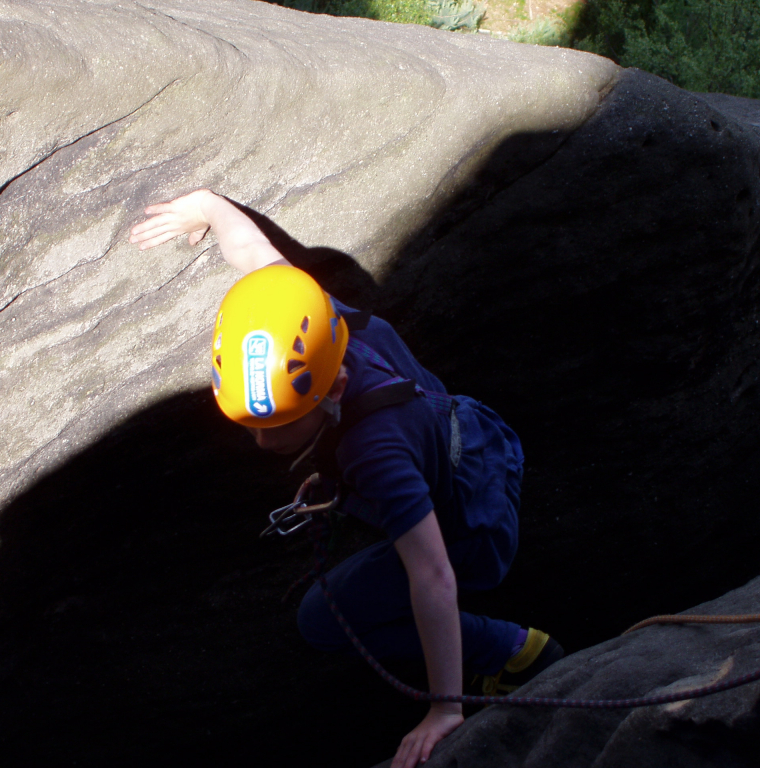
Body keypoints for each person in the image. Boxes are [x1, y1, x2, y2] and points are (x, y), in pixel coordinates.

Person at [130, 189, 563, 767]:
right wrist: (209, 207)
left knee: (324, 618)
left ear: (332, 391)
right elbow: (258, 258)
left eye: (280, 424)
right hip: (469, 439)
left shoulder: (374, 452)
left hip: (470, 522)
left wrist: (444, 708)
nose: (263, 442)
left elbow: (432, 574)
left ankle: (517, 654)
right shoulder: (316, 326)